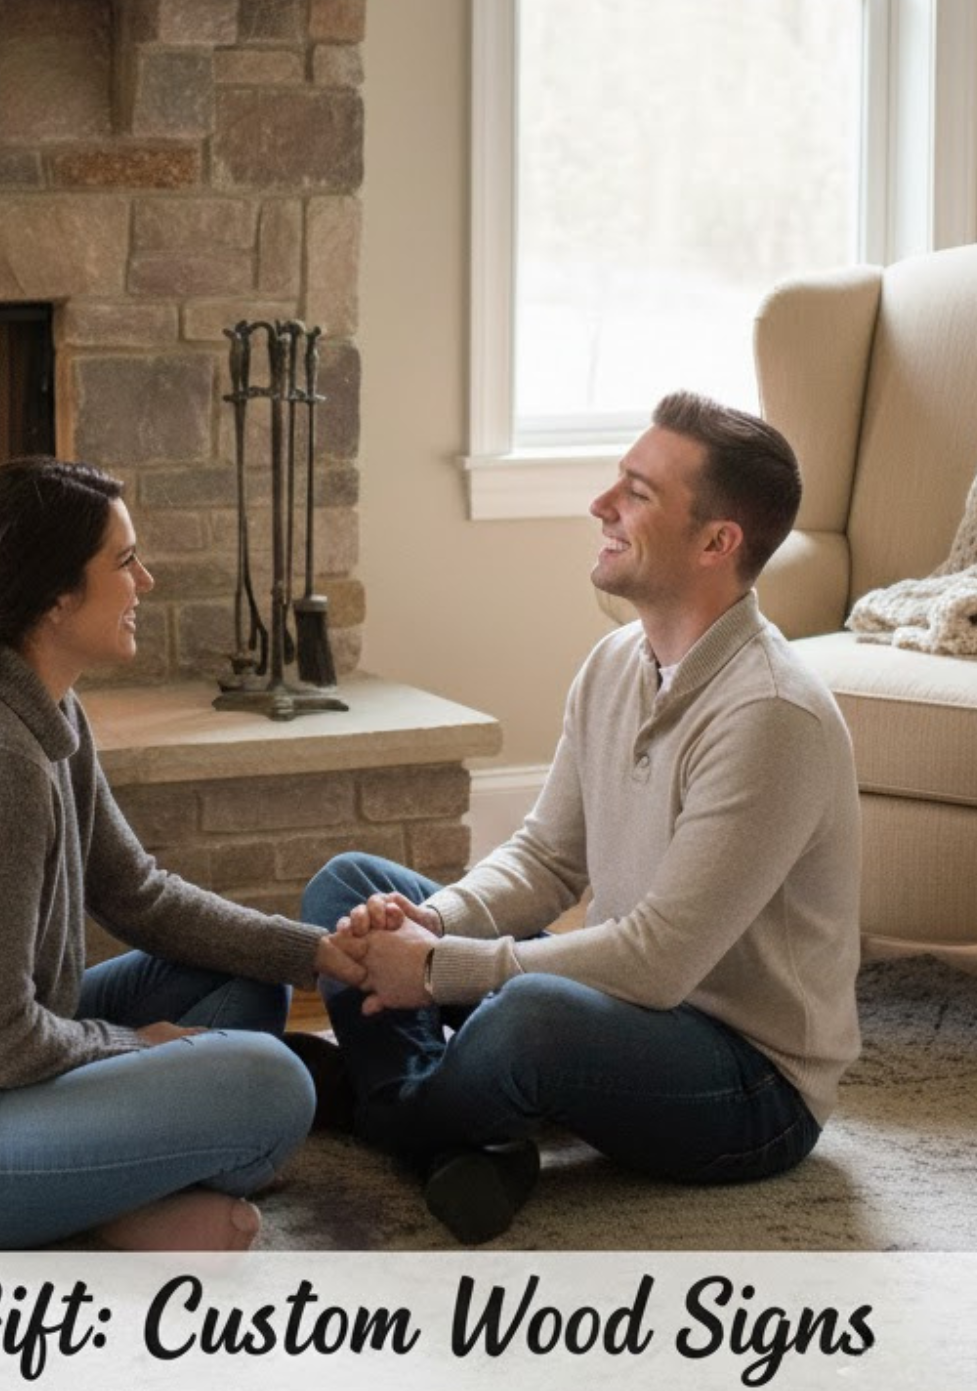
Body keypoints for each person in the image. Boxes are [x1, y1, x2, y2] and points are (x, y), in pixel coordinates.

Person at [304, 391, 861, 1244]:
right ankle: (458, 1138)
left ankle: (367, 1102)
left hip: (750, 1088)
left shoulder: (772, 715)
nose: (600, 506)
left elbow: (658, 961)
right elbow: (545, 859)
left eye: (637, 494)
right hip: (633, 1017)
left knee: (526, 1021)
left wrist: (440, 970)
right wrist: (428, 923)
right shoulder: (615, 662)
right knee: (349, 884)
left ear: (718, 542)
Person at [0, 455, 363, 1252]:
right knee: (272, 1084)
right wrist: (138, 1045)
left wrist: (317, 954)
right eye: (125, 561)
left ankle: (109, 1191)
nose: (148, 580)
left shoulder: (45, 705)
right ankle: (109, 1206)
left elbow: (138, 894)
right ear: (57, 597)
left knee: (243, 989)